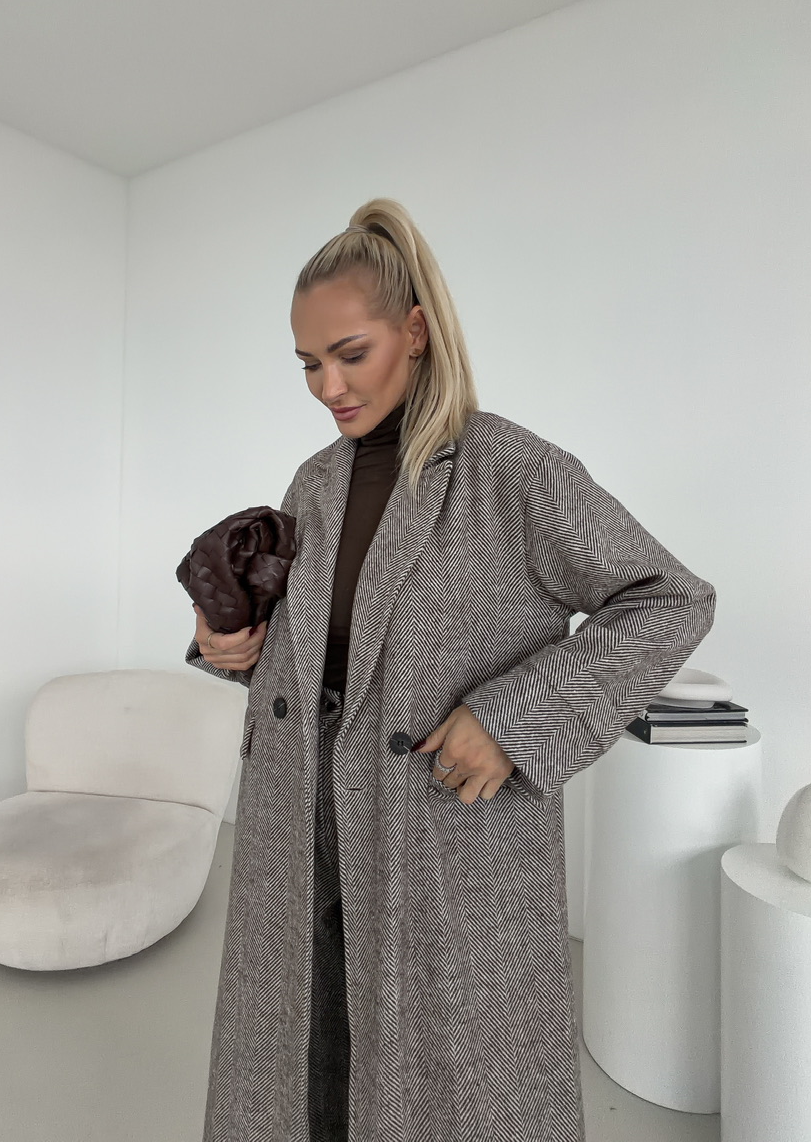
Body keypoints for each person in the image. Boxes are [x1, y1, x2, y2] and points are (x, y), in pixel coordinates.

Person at [186, 198, 716, 1142]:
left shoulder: (513, 470)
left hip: (433, 828)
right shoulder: (315, 480)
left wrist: (511, 720)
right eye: (308, 363)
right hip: (299, 822)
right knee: (304, 1064)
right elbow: (326, 656)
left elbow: (670, 599)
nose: (327, 386)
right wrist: (233, 648)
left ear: (417, 331)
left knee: (451, 1085)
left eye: (351, 353)